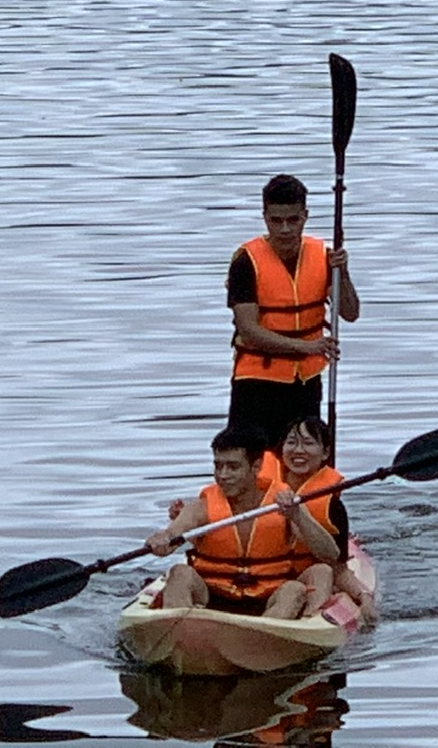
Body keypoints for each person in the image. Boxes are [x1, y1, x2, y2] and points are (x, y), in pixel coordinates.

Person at [147, 424, 344, 618]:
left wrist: (298, 516)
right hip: (212, 594)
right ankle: (181, 635)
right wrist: (161, 539)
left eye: (233, 467)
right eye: (218, 466)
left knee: (295, 589)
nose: (223, 475)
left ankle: (269, 638)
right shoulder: (202, 506)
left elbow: (330, 554)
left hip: (269, 598)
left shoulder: (284, 503)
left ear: (256, 467)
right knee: (180, 572)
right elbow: (172, 536)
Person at [226, 173, 359, 446]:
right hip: (256, 383)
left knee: (304, 461)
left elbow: (350, 312)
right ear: (265, 217)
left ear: (305, 216)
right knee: (256, 466)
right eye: (276, 221)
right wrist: (307, 348)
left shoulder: (322, 255)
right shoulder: (245, 262)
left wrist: (342, 273)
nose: (285, 229)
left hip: (306, 383)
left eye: (293, 220)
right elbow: (249, 331)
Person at [265, 415, 374, 622]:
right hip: (262, 580)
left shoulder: (332, 506)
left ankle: (311, 619)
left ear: (325, 453)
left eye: (308, 443)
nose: (298, 450)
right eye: (291, 442)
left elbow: (338, 567)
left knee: (323, 571)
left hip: (309, 580)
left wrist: (363, 597)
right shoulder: (258, 492)